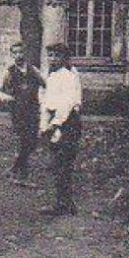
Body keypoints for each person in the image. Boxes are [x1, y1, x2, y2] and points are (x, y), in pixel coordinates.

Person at [40, 42, 84, 215]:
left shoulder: (68, 76)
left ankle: (64, 204)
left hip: (67, 122)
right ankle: (63, 202)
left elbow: (67, 102)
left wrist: (55, 124)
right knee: (57, 164)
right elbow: (47, 101)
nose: (53, 59)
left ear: (65, 58)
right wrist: (44, 124)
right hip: (55, 120)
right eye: (50, 55)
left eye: (57, 56)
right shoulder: (52, 76)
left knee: (63, 164)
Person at [0, 39, 46, 184]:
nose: (18, 55)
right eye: (15, 53)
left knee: (32, 142)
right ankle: (23, 174)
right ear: (12, 55)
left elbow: (46, 85)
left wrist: (44, 101)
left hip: (33, 109)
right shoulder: (9, 72)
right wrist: (7, 98)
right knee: (23, 140)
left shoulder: (33, 70)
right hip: (18, 110)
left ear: (25, 53)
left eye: (21, 52)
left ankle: (15, 168)